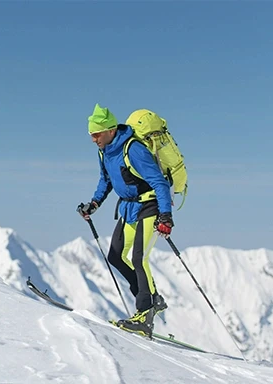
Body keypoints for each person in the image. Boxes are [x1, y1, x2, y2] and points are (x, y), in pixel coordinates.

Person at [78, 103, 174, 336]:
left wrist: (166, 216)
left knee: (139, 258)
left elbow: (159, 182)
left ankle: (145, 313)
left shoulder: (133, 150)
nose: (93, 139)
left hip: (150, 206)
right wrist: (94, 203)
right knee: (116, 256)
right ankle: (152, 299)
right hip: (129, 208)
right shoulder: (105, 151)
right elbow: (106, 180)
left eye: (96, 134)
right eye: (91, 135)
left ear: (110, 130)